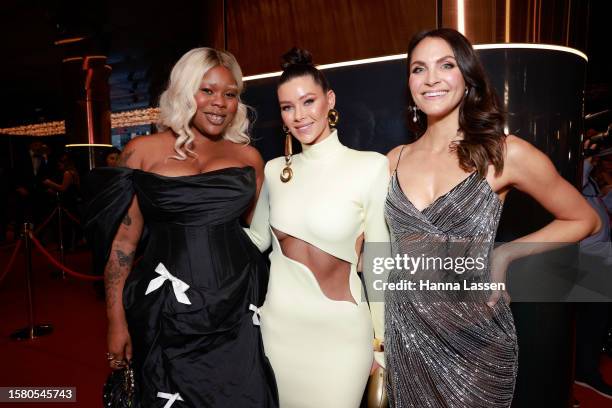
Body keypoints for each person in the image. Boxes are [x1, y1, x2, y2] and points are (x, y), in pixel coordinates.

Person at [384, 28, 601, 407]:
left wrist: (504, 255)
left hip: (474, 337)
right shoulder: (392, 160)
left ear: (467, 78)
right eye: (419, 69)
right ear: (410, 84)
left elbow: (584, 219)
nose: (431, 78)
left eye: (445, 65)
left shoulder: (503, 153)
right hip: (407, 334)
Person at [84, 48, 278, 407]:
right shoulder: (142, 151)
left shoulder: (248, 158)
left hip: (236, 308)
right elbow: (123, 244)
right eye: (207, 90)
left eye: (230, 94)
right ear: (184, 92)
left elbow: (267, 234)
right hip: (165, 312)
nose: (219, 103)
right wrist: (115, 321)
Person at [246, 48, 389, 407]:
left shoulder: (371, 167)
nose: (299, 116)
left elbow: (379, 261)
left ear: (330, 101)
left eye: (308, 101)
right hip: (279, 332)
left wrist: (381, 344)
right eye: (287, 107)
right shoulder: (275, 170)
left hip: (342, 335)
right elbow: (255, 240)